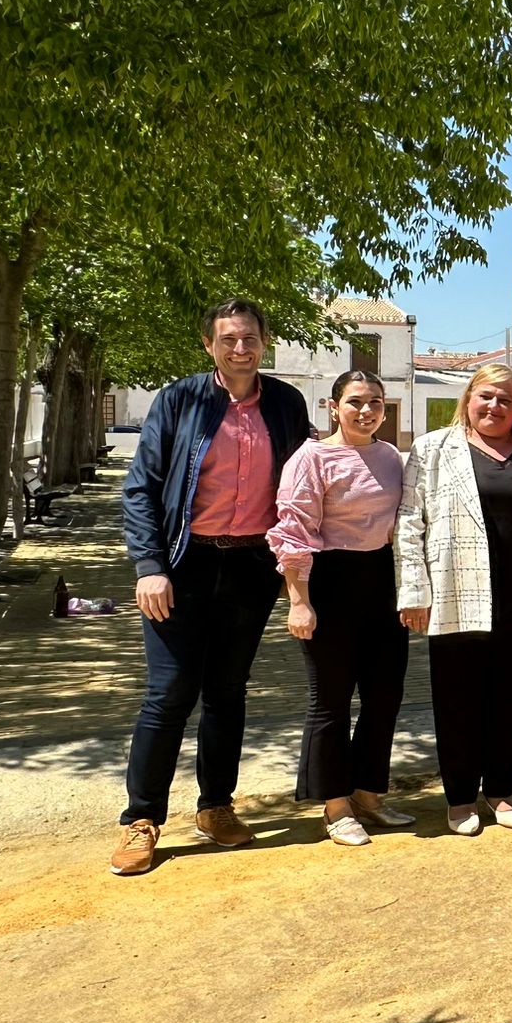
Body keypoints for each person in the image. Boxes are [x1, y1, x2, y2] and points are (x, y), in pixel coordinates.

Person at [111, 298, 311, 877]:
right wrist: (149, 565)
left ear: (265, 341)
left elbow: (299, 486)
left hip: (250, 566)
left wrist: (296, 569)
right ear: (209, 345)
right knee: (170, 692)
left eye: (249, 338)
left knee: (228, 691)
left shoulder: (285, 403)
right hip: (183, 565)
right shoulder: (180, 400)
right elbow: (142, 487)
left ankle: (215, 806)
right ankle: (141, 818)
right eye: (228, 340)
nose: (240, 348)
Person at [396, 362, 512, 836]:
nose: (495, 406)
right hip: (455, 591)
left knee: (510, 697)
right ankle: (461, 797)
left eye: (506, 400)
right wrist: (413, 590)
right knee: (458, 698)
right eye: (486, 396)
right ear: (468, 398)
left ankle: (502, 791)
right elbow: (408, 522)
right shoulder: (432, 450)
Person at [269, 370, 412, 847]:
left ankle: (369, 794)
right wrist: (299, 602)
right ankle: (335, 805)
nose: (366, 411)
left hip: (381, 583)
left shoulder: (391, 457)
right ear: (334, 407)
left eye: (375, 402)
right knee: (330, 702)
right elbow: (293, 532)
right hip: (328, 582)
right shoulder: (311, 458)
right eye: (355, 402)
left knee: (384, 697)